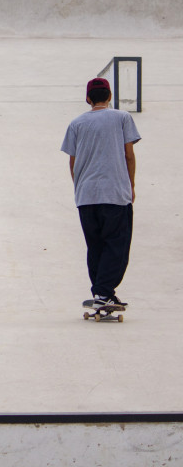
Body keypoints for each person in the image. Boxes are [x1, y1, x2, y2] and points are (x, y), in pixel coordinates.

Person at [61, 78, 141, 309]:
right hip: (115, 193)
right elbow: (129, 155)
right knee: (117, 245)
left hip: (86, 196)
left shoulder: (76, 124)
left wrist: (80, 187)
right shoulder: (122, 118)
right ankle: (104, 293)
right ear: (110, 96)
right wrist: (131, 185)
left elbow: (72, 162)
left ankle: (100, 292)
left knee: (95, 246)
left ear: (88, 98)